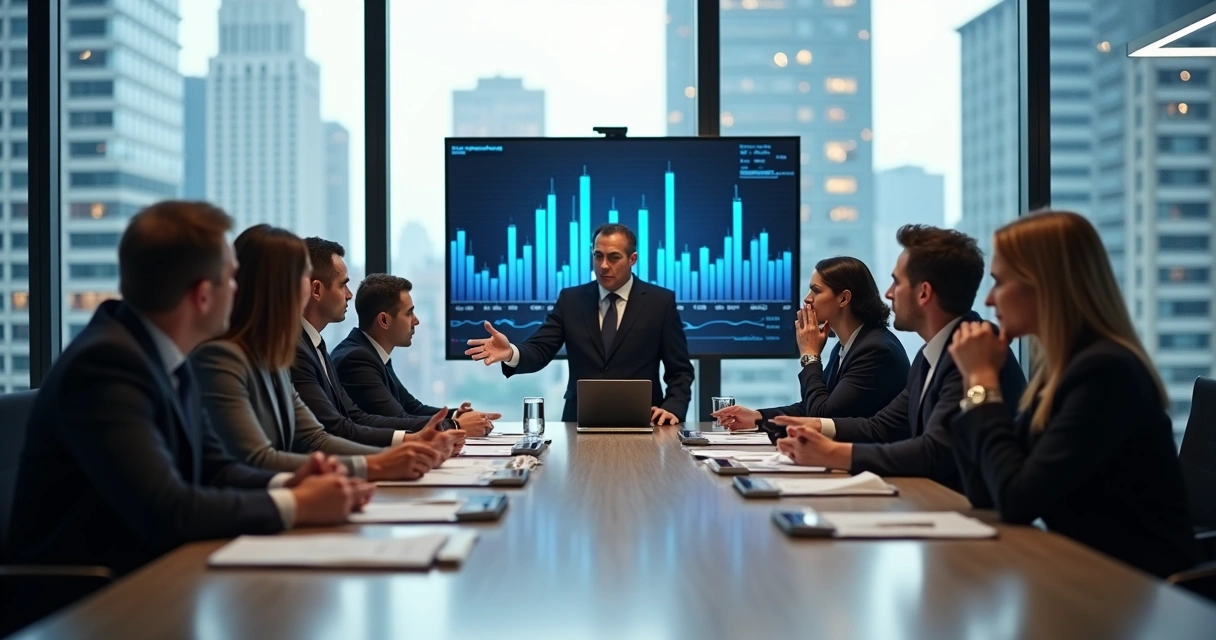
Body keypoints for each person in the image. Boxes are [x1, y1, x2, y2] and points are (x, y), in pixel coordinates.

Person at [6, 201, 366, 576]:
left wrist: (293, 481)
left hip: (150, 579)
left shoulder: (166, 357)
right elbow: (167, 510)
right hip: (84, 604)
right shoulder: (106, 365)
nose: (238, 290)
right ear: (203, 295)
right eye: (231, 278)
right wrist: (296, 504)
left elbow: (219, 470)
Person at [945, 211, 1197, 578]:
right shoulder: (1059, 371)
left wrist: (984, 379)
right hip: (1087, 571)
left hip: (1138, 589)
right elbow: (987, 490)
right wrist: (973, 381)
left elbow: (1017, 501)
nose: (988, 301)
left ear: (1044, 284)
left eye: (999, 283)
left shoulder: (1106, 372)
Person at [191, 224, 458, 480]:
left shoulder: (274, 356)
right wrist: (379, 464)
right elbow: (258, 459)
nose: (309, 290)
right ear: (275, 288)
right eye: (303, 278)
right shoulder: (223, 358)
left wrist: (401, 450)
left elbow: (315, 437)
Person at [771, 225, 1026, 492]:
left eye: (897, 282)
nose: (889, 293)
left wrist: (833, 453)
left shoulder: (972, 353)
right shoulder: (929, 356)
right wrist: (815, 426)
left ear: (924, 293)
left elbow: (933, 451)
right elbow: (881, 427)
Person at [465, 223, 694, 425]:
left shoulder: (659, 302)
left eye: (613, 257)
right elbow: (541, 349)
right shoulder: (571, 300)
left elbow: (680, 370)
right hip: (578, 422)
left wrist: (672, 407)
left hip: (644, 420)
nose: (604, 265)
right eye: (598, 256)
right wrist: (510, 352)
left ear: (632, 259)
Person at [293, 238, 470, 440]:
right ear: (316, 290)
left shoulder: (318, 345)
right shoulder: (352, 357)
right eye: (343, 285)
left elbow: (358, 417)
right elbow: (338, 427)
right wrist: (451, 425)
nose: (349, 295)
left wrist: (454, 417)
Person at [711, 257, 909, 432]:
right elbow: (812, 405)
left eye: (816, 290)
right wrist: (757, 417)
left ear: (843, 298)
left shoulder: (874, 350)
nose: (807, 299)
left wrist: (810, 356)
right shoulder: (846, 346)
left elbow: (821, 415)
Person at [332, 273, 501, 431]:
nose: (416, 321)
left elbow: (412, 408)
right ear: (384, 320)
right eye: (409, 313)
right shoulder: (356, 360)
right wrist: (456, 425)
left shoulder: (370, 352)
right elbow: (399, 420)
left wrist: (458, 415)